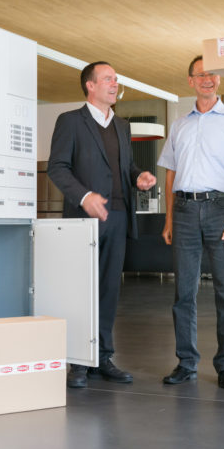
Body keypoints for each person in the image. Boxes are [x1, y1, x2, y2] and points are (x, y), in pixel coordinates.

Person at [47, 61, 157, 388]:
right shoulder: (70, 122)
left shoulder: (123, 126)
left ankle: (103, 356)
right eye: (108, 79)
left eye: (116, 79)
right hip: (85, 219)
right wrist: (84, 196)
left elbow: (126, 166)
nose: (115, 83)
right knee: (82, 289)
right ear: (90, 86)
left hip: (119, 216)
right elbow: (58, 168)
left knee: (109, 289)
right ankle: (79, 361)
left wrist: (139, 176)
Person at [158, 55, 224, 390]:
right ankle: (186, 362)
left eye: (212, 74)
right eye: (200, 75)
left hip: (221, 210)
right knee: (183, 291)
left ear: (220, 79)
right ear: (190, 81)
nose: (207, 79)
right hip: (184, 211)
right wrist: (169, 218)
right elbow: (170, 173)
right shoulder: (180, 124)